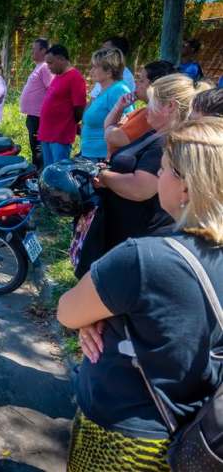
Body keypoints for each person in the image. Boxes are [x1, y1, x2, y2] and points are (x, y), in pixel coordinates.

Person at [58, 116, 223, 472]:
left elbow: (67, 312)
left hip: (126, 433)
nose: (158, 175)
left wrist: (95, 315)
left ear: (187, 188)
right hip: (202, 430)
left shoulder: (144, 259)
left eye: (163, 169)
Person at [95, 74, 212, 254]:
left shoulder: (167, 142)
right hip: (126, 230)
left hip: (140, 234)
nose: (146, 107)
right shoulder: (155, 134)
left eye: (151, 101)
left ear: (170, 106)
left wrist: (103, 176)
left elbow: (141, 188)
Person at [103, 60, 176, 155]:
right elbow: (108, 129)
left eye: (141, 81)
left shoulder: (150, 115)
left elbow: (112, 137)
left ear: (154, 85)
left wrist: (111, 127)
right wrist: (119, 107)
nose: (136, 83)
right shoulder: (143, 111)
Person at [80, 48, 133, 162]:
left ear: (109, 71)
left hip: (103, 156)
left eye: (95, 67)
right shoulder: (105, 90)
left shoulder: (118, 90)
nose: (91, 71)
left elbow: (126, 124)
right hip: (92, 153)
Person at [38, 45, 86, 166]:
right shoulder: (58, 76)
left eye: (50, 63)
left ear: (61, 59)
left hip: (60, 135)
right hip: (47, 133)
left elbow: (79, 107)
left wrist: (68, 123)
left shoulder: (75, 77)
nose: (48, 67)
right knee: (48, 172)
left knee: (58, 172)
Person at [18, 38, 54, 169]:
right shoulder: (39, 66)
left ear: (43, 50)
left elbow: (52, 90)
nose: (31, 52)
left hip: (39, 117)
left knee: (38, 149)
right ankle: (36, 173)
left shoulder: (45, 67)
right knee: (35, 148)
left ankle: (39, 174)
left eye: (34, 49)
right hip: (34, 116)